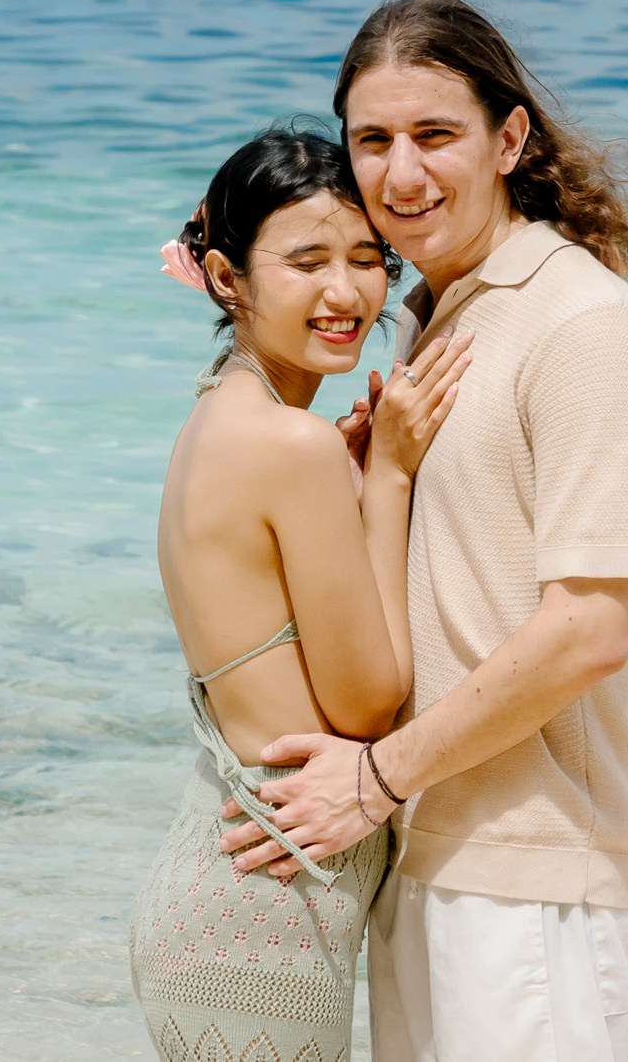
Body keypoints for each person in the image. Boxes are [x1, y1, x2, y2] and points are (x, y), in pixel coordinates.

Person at [217, 0, 628, 1061]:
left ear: (508, 140)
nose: (401, 173)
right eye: (372, 140)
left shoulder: (581, 322)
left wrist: (375, 778)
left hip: (538, 881)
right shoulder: (432, 313)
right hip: (420, 854)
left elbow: (588, 630)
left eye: (434, 134)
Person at [129, 124, 472, 1061]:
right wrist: (389, 475)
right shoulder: (294, 444)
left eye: (367, 258)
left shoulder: (218, 415)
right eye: (308, 260)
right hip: (261, 919)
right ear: (227, 277)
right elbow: (366, 703)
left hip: (228, 890)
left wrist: (353, 483)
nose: (346, 291)